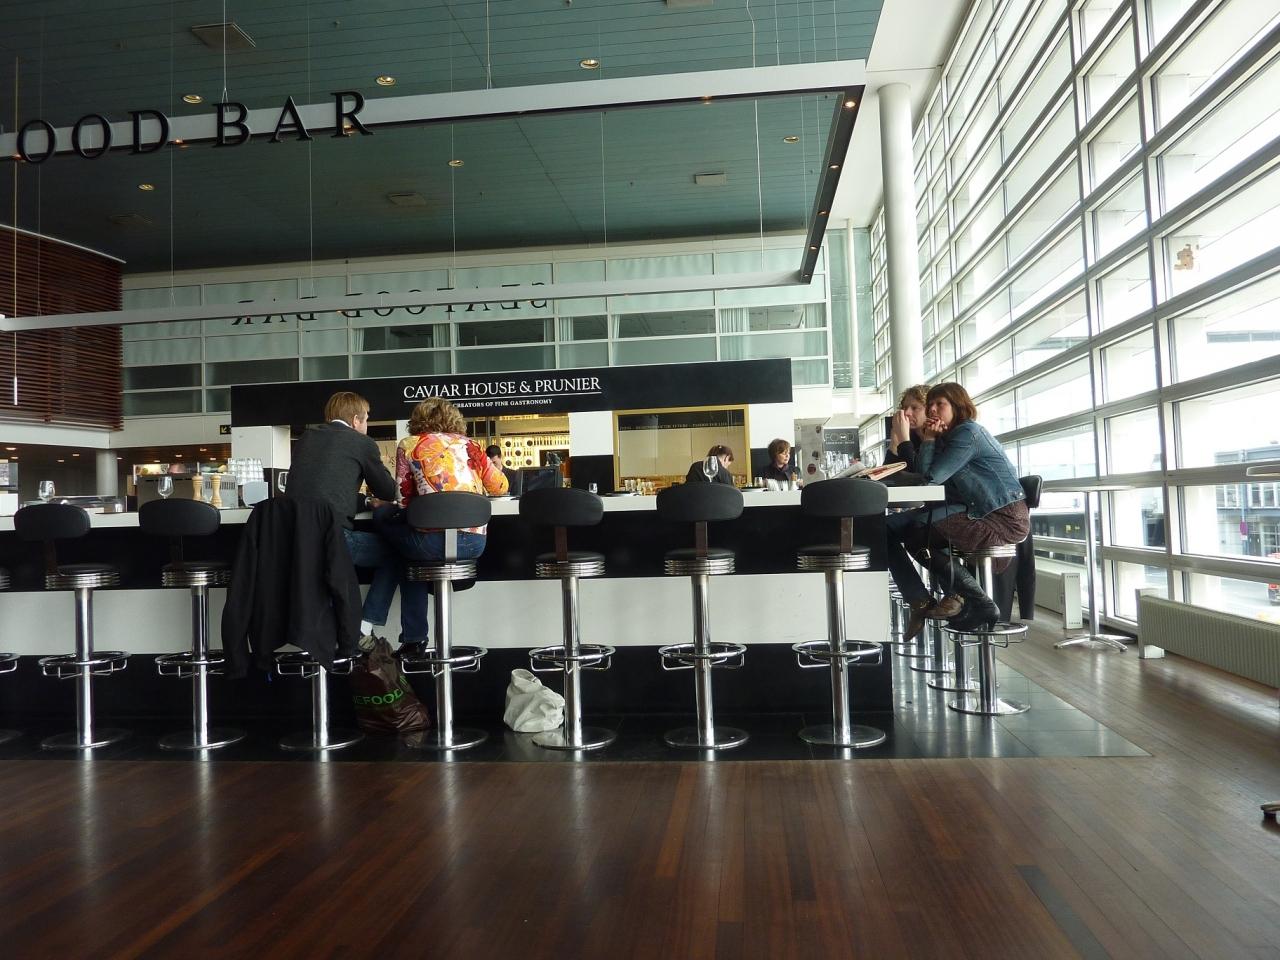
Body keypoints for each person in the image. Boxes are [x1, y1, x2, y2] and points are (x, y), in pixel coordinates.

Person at [885, 382, 1029, 637]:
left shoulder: (967, 434)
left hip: (999, 517)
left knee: (917, 531)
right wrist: (929, 439)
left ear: (958, 406)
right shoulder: (947, 436)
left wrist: (916, 441)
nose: (933, 409)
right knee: (890, 528)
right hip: (973, 512)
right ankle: (933, 600)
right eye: (930, 404)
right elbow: (926, 478)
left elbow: (928, 480)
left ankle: (974, 600)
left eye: (939, 404)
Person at [375, 398, 509, 649]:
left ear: (418, 420)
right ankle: (416, 638)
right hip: (473, 543)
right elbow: (500, 487)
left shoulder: (410, 445)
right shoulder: (472, 446)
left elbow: (403, 501)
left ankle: (414, 640)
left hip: (428, 544)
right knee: (406, 553)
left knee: (391, 532)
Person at [284, 390, 411, 647]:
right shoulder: (360, 442)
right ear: (355, 420)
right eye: (366, 420)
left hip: (293, 542)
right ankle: (365, 624)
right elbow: (388, 491)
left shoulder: (306, 439)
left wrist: (365, 501)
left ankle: (330, 635)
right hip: (332, 540)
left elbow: (322, 492)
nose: (366, 425)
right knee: (400, 550)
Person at [884, 384, 928, 473]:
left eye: (914, 408)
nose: (907, 412)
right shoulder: (912, 437)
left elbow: (914, 475)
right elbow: (886, 475)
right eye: (904, 408)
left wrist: (904, 440)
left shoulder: (939, 439)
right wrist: (894, 442)